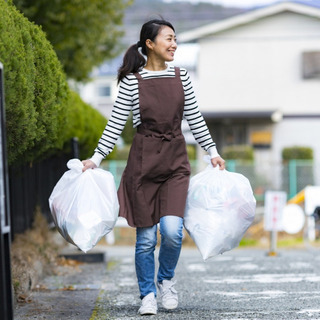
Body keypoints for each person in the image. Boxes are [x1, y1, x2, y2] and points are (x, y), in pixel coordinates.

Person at [82, 19, 225, 316]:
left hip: (175, 161)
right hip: (143, 165)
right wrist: (95, 159)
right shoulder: (132, 81)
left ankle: (166, 281)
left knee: (172, 232)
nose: (174, 44)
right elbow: (115, 125)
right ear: (149, 43)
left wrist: (212, 151)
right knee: (146, 238)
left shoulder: (181, 75)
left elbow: (195, 118)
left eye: (175, 39)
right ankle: (147, 294)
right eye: (168, 39)